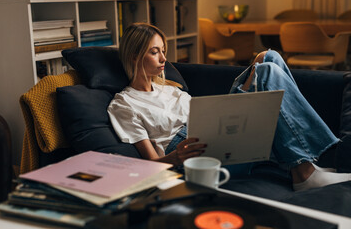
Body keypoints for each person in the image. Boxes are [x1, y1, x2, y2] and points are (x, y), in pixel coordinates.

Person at [107, 22, 351, 191]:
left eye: (163, 51)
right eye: (154, 52)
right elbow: (146, 164)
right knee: (266, 71)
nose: (163, 59)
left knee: (269, 57)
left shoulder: (170, 88)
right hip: (189, 151)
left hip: (213, 130)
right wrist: (175, 156)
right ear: (135, 56)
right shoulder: (124, 103)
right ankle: (306, 171)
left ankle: (308, 165)